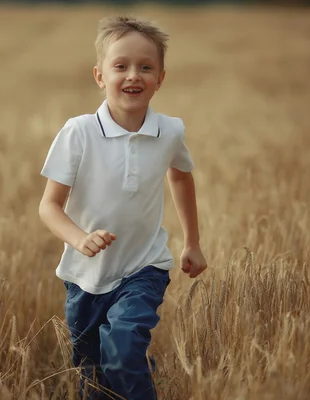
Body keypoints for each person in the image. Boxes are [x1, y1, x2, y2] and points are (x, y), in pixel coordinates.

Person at [38, 15, 207, 400]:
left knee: (123, 347)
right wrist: (80, 239)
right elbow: (49, 206)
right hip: (85, 276)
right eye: (121, 66)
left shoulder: (170, 131)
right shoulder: (78, 132)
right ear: (100, 76)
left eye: (146, 67)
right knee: (93, 376)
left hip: (143, 267)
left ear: (161, 78)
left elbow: (180, 176)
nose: (134, 75)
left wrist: (191, 242)